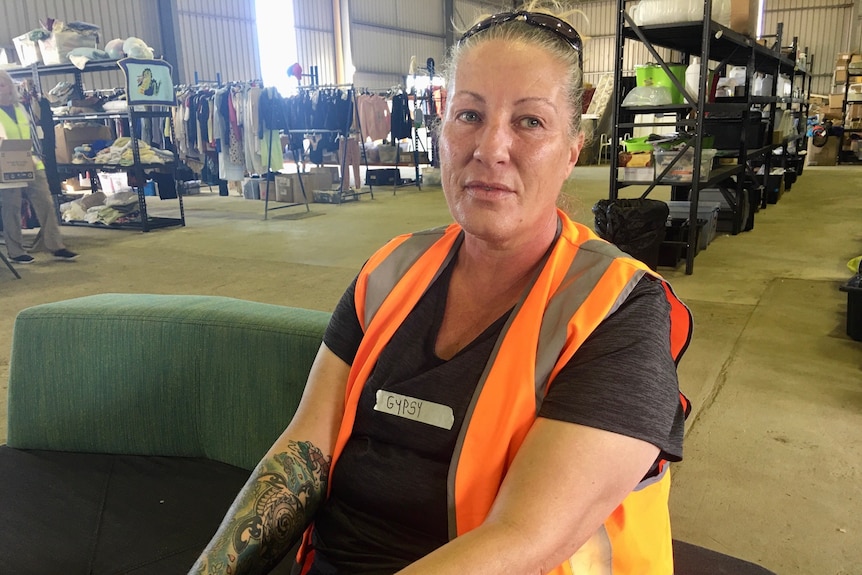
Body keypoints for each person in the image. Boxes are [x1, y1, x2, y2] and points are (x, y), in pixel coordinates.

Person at [191, 3, 692, 574]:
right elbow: (305, 450)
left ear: (573, 149)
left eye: (529, 121)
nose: (490, 148)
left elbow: (524, 539)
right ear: (441, 129)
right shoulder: (389, 271)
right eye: (469, 115)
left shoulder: (618, 310)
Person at [0, 69, 78, 263]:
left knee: (46, 202)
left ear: (10, 86)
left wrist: (38, 156)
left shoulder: (21, 108)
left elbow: (34, 134)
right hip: (6, 162)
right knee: (12, 206)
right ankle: (16, 251)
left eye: (1, 85)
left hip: (30, 159)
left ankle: (55, 245)